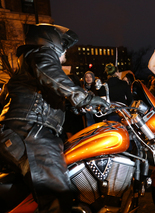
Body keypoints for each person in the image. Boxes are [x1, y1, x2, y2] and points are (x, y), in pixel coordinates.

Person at [0, 24, 109, 212]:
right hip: (31, 133)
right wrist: (86, 97)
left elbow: (44, 93)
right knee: (58, 196)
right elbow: (52, 76)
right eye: (64, 46)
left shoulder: (26, 65)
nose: (66, 51)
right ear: (53, 42)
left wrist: (74, 107)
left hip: (21, 131)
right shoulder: (42, 54)